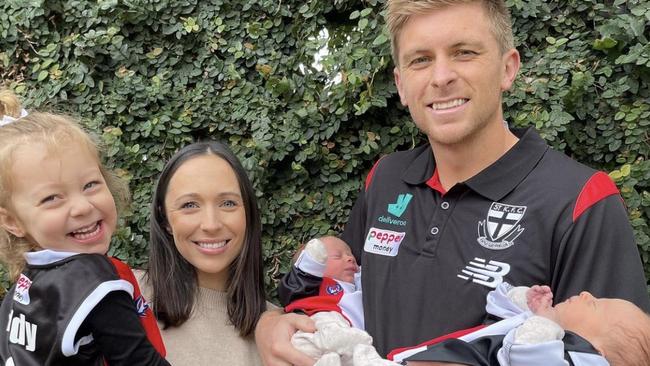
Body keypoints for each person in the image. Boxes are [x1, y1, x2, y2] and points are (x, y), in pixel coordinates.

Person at [255, 0, 650, 364]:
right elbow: (339, 297)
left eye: (464, 52)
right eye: (421, 60)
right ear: (401, 84)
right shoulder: (385, 177)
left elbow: (615, 349)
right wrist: (272, 322)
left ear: (508, 68)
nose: (441, 77)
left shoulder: (580, 199)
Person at [0, 90, 169, 365]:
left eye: (90, 184)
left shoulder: (24, 290)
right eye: (52, 198)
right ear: (12, 222)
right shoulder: (92, 280)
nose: (81, 207)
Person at [138, 141, 269, 365]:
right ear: (165, 220)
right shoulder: (123, 296)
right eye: (189, 205)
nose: (211, 224)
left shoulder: (278, 335)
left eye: (228, 203)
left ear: (248, 212)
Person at [392, 283, 650, 366]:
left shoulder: (568, 357)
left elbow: (524, 352)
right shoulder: (549, 331)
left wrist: (545, 323)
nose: (586, 294)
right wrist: (526, 300)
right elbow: (497, 305)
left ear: (597, 352)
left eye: (596, 304)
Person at [278, 237, 398, 366]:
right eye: (337, 256)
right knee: (310, 342)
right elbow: (296, 286)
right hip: (320, 326)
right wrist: (311, 263)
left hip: (352, 339)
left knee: (356, 351)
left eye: (350, 255)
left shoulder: (360, 284)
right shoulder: (313, 284)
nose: (350, 258)